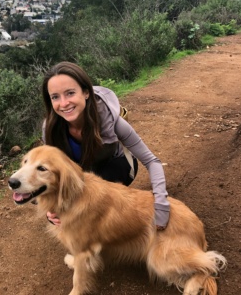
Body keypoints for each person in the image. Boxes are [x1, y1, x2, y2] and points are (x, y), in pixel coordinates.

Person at [41, 61, 170, 231]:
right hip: (82, 175)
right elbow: (47, 172)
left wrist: (161, 205)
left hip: (115, 168)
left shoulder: (110, 119)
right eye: (55, 97)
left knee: (100, 198)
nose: (63, 103)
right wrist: (50, 208)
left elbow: (152, 161)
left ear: (86, 93)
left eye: (70, 93)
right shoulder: (50, 129)